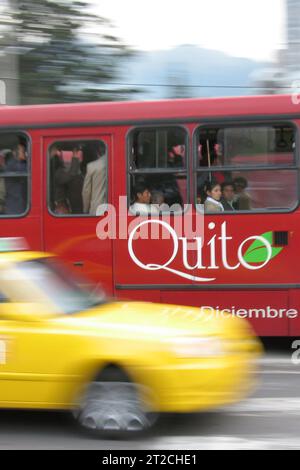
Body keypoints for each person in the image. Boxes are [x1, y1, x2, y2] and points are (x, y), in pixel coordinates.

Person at [50, 145, 81, 214]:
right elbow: (72, 174)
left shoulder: (54, 171)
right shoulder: (58, 173)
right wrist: (75, 155)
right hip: (59, 205)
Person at [82, 141, 107, 215]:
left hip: (97, 209)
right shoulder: (121, 163)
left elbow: (86, 191)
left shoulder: (92, 166)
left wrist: (85, 209)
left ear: (97, 152)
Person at [4, 142, 28, 215]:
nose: (25, 153)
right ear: (15, 153)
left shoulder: (18, 163)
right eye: (23, 151)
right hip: (15, 206)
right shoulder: (12, 164)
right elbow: (23, 170)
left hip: (19, 203)